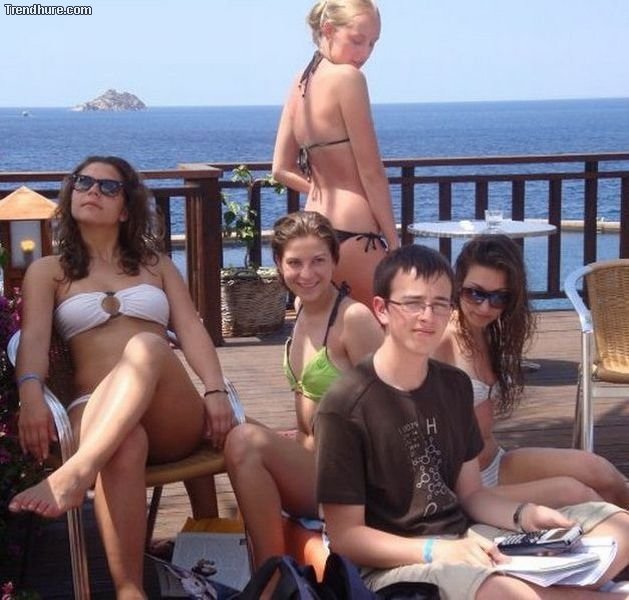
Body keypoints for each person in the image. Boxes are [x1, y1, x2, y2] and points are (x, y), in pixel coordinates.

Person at [315, 244, 629, 599]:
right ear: (382, 309)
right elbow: (346, 537)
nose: (427, 316)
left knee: (620, 528)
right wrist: (436, 550)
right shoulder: (345, 406)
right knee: (509, 593)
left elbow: (472, 495)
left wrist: (524, 515)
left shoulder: (453, 385)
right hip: (397, 565)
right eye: (413, 303)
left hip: (467, 536)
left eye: (439, 304)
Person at [9, 156, 235, 599]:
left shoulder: (157, 265)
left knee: (147, 345)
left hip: (170, 415)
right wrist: (30, 396)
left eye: (108, 187)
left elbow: (192, 331)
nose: (93, 191)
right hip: (93, 407)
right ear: (70, 195)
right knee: (124, 441)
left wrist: (215, 390)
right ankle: (130, 590)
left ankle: (77, 474)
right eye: (83, 182)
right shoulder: (47, 271)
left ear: (126, 208)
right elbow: (33, 339)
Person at [224, 211, 383, 569]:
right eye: (295, 263)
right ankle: (212, 541)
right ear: (279, 265)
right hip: (309, 459)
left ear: (335, 261)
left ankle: (270, 575)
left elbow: (390, 409)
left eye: (318, 261)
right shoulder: (301, 307)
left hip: (346, 478)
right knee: (223, 424)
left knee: (245, 441)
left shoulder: (353, 320)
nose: (306, 274)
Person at [433, 235, 629, 508]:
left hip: (496, 462)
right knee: (575, 493)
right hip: (466, 487)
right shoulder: (441, 339)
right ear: (457, 285)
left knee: (599, 471)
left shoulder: (486, 332)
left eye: (499, 297)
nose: (485, 307)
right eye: (475, 293)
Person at [272, 0, 399, 308]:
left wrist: (318, 187)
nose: (365, 53)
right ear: (328, 30)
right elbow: (371, 172)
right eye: (357, 40)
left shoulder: (301, 81)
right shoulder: (348, 79)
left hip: (316, 227)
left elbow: (280, 169)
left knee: (327, 332)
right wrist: (395, 243)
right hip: (357, 233)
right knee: (386, 331)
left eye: (373, 43)